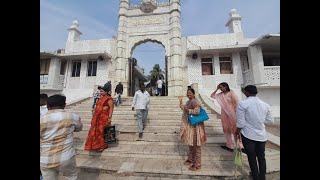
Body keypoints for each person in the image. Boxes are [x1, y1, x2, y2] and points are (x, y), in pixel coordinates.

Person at [40, 94, 83, 180]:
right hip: (66, 157)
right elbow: (78, 128)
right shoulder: (74, 117)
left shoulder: (42, 119)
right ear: (64, 104)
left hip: (45, 158)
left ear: (47, 105)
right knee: (71, 177)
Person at [235, 85, 274, 180]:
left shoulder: (243, 104)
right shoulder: (265, 105)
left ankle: (256, 177)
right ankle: (262, 177)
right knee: (261, 157)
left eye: (245, 91)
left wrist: (237, 132)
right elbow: (270, 121)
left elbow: (240, 123)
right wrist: (259, 121)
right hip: (261, 135)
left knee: (251, 157)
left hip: (248, 135)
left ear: (247, 93)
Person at [179, 88, 207, 171]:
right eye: (187, 93)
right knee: (191, 144)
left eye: (190, 93)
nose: (188, 95)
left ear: (194, 94)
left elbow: (197, 112)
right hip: (191, 126)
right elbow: (183, 108)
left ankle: (197, 164)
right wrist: (180, 101)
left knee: (196, 145)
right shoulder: (188, 101)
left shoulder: (194, 101)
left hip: (196, 127)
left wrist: (188, 110)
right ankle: (191, 159)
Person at [210, 82, 243, 152]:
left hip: (232, 114)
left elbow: (236, 103)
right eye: (220, 88)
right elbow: (212, 96)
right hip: (224, 114)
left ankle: (239, 146)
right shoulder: (220, 94)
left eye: (221, 87)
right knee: (226, 129)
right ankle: (229, 145)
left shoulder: (231, 93)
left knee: (235, 130)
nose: (221, 89)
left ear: (226, 87)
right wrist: (216, 89)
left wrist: (236, 113)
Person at [85, 82, 114, 152]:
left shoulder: (109, 99)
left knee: (102, 132)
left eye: (102, 91)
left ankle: (102, 145)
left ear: (106, 92)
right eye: (100, 91)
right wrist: (94, 111)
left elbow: (111, 109)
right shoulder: (100, 98)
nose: (100, 92)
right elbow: (97, 107)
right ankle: (94, 145)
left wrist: (109, 118)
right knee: (95, 132)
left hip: (104, 119)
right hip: (97, 118)